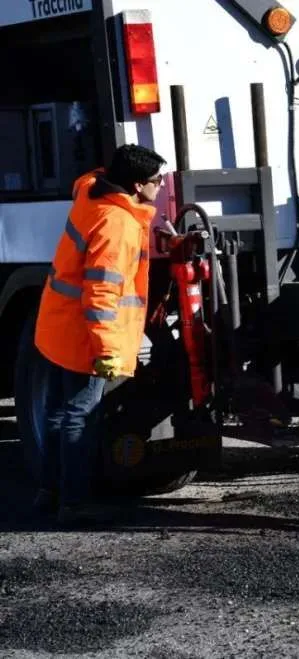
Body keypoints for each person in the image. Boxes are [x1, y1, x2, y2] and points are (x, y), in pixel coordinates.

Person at [31, 144, 167, 524]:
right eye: (157, 180)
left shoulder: (91, 194)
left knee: (57, 414)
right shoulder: (118, 224)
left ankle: (49, 492)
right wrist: (106, 349)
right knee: (80, 417)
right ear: (137, 185)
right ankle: (73, 504)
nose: (161, 185)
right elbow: (102, 292)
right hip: (84, 337)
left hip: (59, 327)